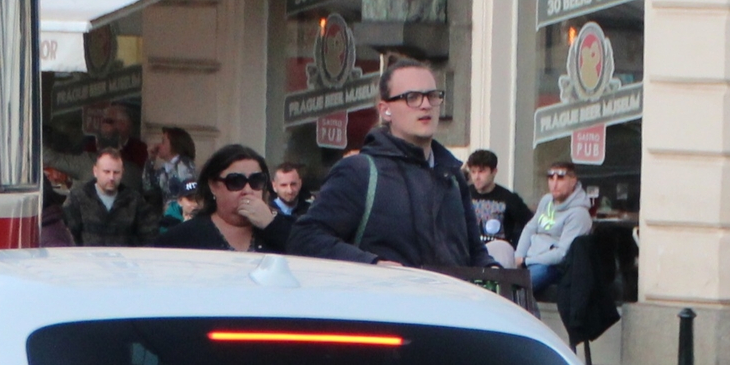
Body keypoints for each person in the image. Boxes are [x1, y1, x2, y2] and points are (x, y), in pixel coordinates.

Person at [290, 59, 495, 273]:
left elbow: (474, 251)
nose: (425, 105)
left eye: (432, 96)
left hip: (449, 302)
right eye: (412, 97)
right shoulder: (359, 172)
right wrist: (372, 264)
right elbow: (305, 237)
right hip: (386, 301)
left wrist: (495, 273)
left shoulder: (452, 176)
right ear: (385, 110)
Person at [160, 144, 296, 254]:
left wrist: (271, 225)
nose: (248, 190)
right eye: (236, 181)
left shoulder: (285, 228)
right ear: (213, 186)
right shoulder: (184, 237)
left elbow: (308, 255)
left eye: (256, 181)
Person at [517, 161, 596, 293]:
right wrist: (518, 257)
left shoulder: (579, 214)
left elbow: (562, 254)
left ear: (573, 181)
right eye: (550, 178)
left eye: (560, 178)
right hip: (529, 258)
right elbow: (529, 229)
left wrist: (526, 261)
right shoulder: (546, 200)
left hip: (552, 267)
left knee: (517, 287)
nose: (554, 183)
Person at [61, 147, 157, 247]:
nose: (111, 177)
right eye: (106, 172)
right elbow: (67, 236)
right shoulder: (78, 198)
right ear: (95, 171)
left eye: (116, 172)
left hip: (124, 261)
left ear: (122, 172)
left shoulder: (134, 201)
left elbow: (149, 237)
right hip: (88, 260)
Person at [464, 150, 532, 248]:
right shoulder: (463, 194)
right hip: (469, 252)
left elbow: (530, 226)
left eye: (481, 171)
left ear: (494, 172)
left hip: (499, 252)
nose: (476, 177)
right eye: (473, 172)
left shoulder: (509, 198)